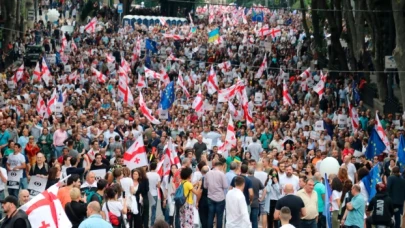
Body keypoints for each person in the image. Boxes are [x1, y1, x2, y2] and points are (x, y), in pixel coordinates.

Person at [203, 160, 228, 228]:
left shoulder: (207, 173)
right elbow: (225, 186)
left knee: (211, 215)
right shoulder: (221, 174)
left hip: (210, 197)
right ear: (221, 166)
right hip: (220, 197)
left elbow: (205, 186)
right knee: (219, 216)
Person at [147, 162, 161, 227]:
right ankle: (152, 224)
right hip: (154, 193)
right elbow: (158, 186)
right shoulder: (157, 175)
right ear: (155, 167)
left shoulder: (146, 174)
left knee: (146, 209)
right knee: (154, 209)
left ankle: (146, 222)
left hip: (147, 193)